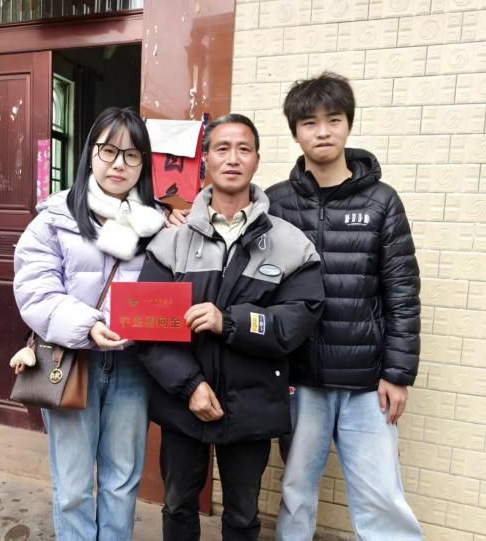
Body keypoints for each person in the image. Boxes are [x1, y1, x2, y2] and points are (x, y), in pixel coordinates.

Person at [169, 73, 422, 540]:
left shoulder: (381, 202)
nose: (322, 132)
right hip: (297, 376)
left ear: (348, 125)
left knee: (381, 497)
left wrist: (398, 372)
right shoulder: (275, 204)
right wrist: (183, 217)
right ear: (295, 132)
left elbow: (402, 291)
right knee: (297, 491)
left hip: (366, 380)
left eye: (334, 120)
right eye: (309, 123)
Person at [137, 114, 325, 541]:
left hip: (252, 403)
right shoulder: (171, 241)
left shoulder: (289, 243)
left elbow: (297, 320)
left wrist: (230, 321)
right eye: (222, 148)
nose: (233, 158)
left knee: (242, 516)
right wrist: (189, 386)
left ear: (257, 159)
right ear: (205, 160)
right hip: (183, 403)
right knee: (177, 505)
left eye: (244, 149)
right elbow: (148, 330)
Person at [11, 106, 165, 540]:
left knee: (122, 481)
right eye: (108, 150)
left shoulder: (158, 226)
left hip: (133, 366)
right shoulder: (54, 219)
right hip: (71, 361)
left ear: (143, 164)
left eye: (132, 155)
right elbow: (36, 290)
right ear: (90, 153)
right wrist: (87, 325)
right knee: (74, 487)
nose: (119, 164)